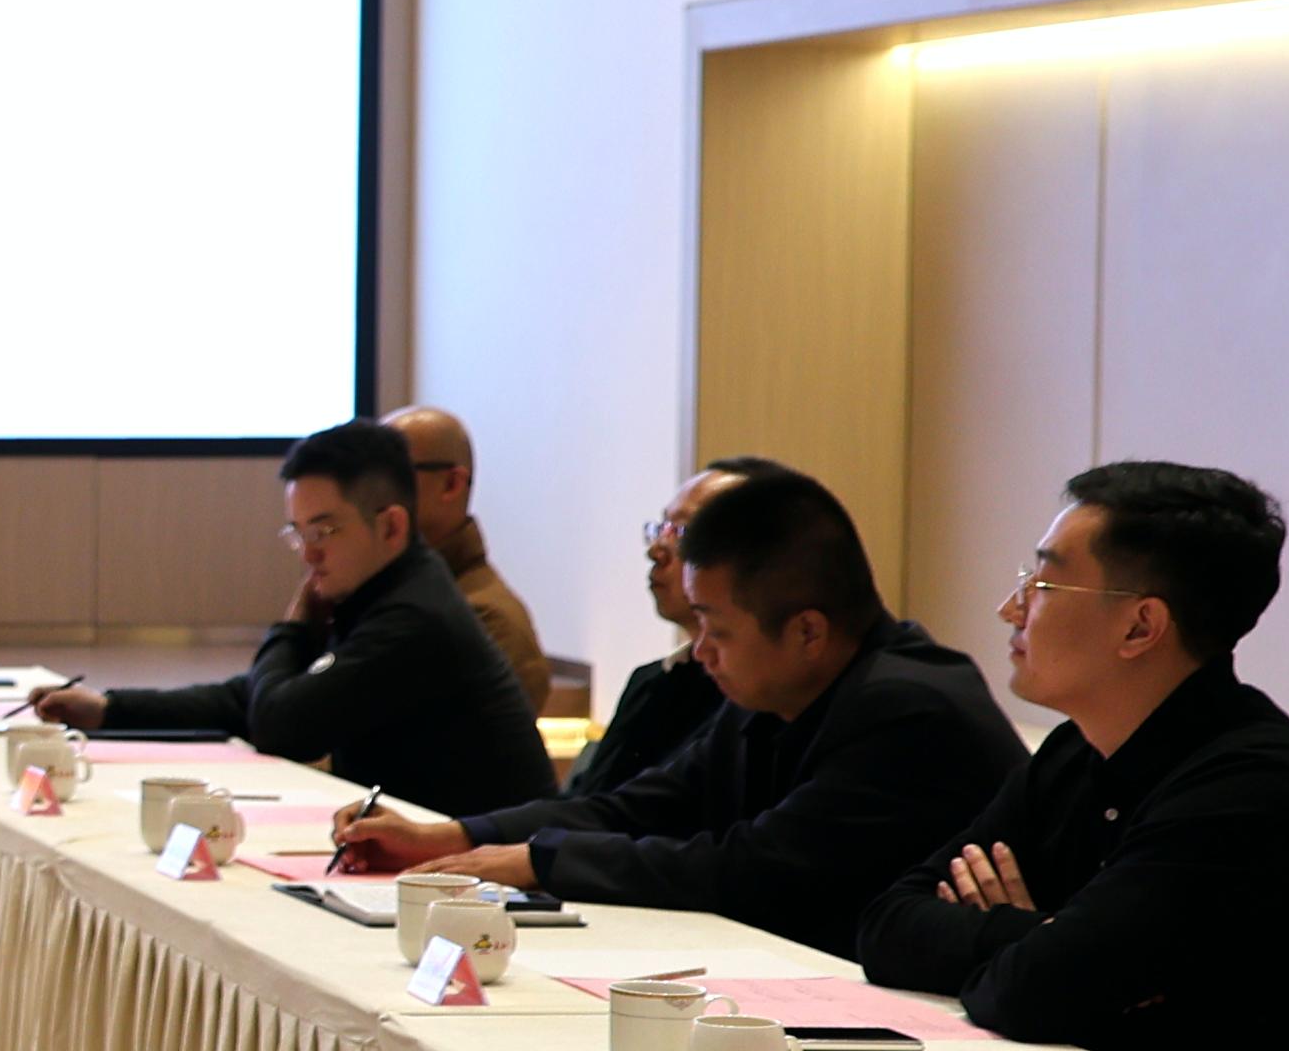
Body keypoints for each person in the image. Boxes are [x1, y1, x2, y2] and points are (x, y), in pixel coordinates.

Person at [860, 460, 1289, 1051]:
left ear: (1139, 626)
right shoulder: (1075, 751)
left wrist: (1048, 955)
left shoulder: (1252, 787)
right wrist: (1040, 933)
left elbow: (1030, 994)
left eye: (1042, 584)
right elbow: (887, 927)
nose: (1012, 608)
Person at [335, 464, 1021, 951]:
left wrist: (537, 862)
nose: (700, 651)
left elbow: (750, 869)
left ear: (807, 631)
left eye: (716, 629)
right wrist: (455, 836)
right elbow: (639, 806)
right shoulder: (779, 686)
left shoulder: (910, 710)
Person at [40, 419, 552, 816]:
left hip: (480, 884)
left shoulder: (415, 616)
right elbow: (251, 699)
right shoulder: (381, 591)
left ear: (391, 526)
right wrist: (110, 709)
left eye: (323, 531)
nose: (308, 554)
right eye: (298, 533)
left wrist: (292, 629)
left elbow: (280, 726)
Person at [566, 463, 779, 799]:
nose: (655, 551)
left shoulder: (760, 700)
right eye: (661, 528)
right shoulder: (649, 681)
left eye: (683, 533)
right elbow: (587, 803)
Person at [389, 403, 559, 718]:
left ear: (451, 484)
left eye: (393, 474)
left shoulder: (488, 622)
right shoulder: (392, 595)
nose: (374, 494)